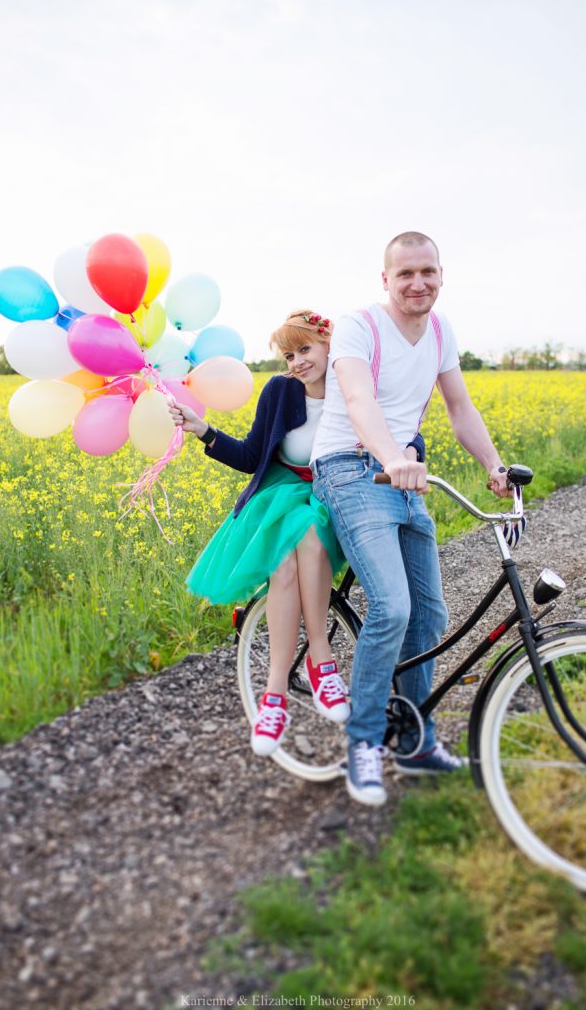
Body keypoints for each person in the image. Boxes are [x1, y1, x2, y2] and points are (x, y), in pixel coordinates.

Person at [311, 232, 511, 806]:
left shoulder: (442, 332)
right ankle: (365, 741)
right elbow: (357, 400)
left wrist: (494, 466)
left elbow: (458, 406)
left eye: (427, 272)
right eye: (405, 274)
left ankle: (413, 739)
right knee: (392, 606)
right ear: (386, 280)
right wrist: (392, 456)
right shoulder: (360, 327)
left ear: (441, 274)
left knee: (428, 613)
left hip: (400, 471)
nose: (417, 283)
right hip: (351, 468)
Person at [169, 310, 425, 757]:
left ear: (330, 344)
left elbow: (405, 433)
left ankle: (317, 660)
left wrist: (407, 452)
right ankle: (281, 692)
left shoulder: (358, 384)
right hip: (285, 494)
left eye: (305, 349)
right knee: (286, 560)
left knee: (307, 532)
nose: (297, 362)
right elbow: (253, 455)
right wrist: (204, 431)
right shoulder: (280, 391)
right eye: (289, 355)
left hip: (342, 493)